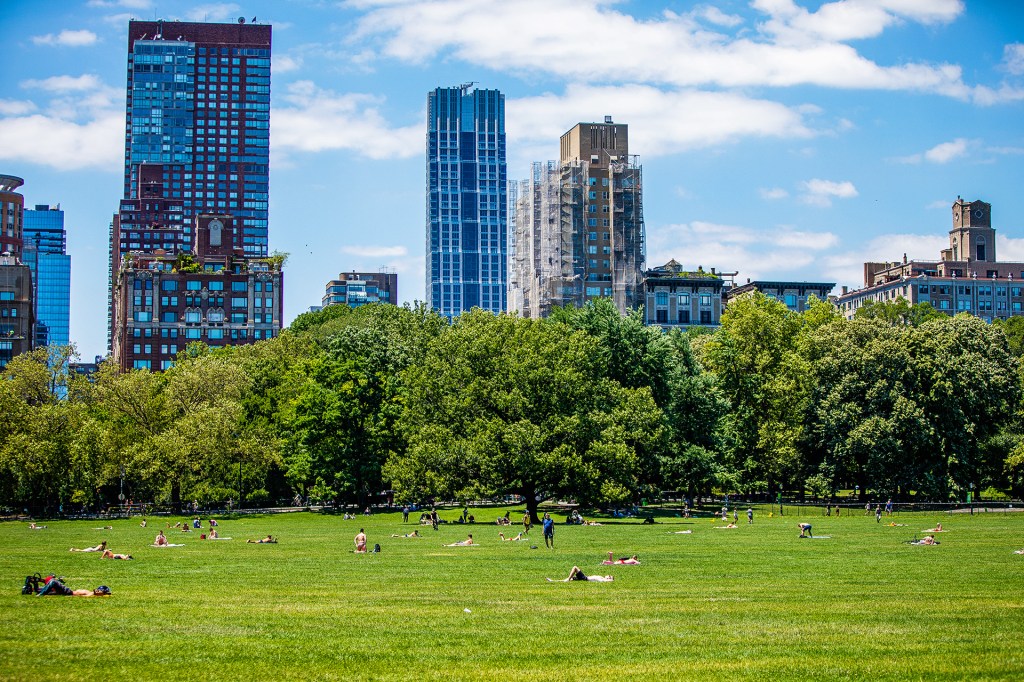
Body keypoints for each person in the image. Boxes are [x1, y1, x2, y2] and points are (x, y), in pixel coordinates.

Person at [38, 578, 112, 597]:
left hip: (68, 592)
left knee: (53, 582)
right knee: (51, 584)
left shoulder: (91, 594)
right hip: (68, 592)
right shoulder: (91, 593)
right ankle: (31, 589)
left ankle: (40, 594)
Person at [547, 566, 614, 583]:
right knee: (571, 579)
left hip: (585, 578)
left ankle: (568, 579)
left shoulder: (604, 580)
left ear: (609, 578)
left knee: (575, 567)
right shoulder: (602, 578)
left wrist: (610, 579)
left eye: (609, 576)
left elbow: (611, 581)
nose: (608, 575)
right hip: (585, 578)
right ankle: (553, 581)